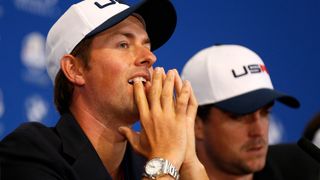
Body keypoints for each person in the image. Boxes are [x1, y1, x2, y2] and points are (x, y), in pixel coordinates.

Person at [0, 0, 208, 179]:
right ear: (75, 69)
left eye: (147, 46)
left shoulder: (148, 163)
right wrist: (165, 160)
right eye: (124, 44)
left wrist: (189, 160)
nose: (150, 57)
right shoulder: (29, 152)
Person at [181, 44, 320, 180]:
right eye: (240, 117)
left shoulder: (306, 168)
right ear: (195, 124)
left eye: (266, 112)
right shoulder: (163, 174)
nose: (258, 131)